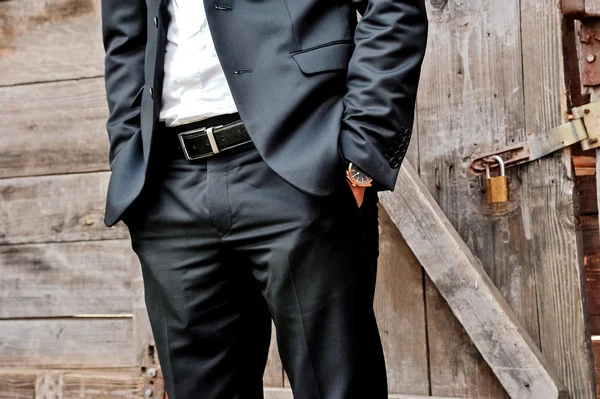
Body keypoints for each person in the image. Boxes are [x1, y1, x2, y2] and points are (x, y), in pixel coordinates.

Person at [101, 1, 428, 398]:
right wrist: (128, 151)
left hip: (302, 166)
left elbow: (393, 7)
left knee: (335, 387)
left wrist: (364, 148)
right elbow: (125, 40)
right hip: (170, 189)